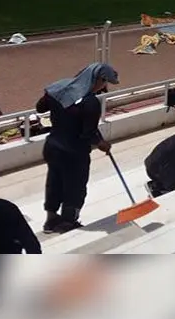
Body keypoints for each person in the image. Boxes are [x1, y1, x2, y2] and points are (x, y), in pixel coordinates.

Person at [35, 62, 119, 234]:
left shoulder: (59, 88)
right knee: (75, 187)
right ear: (98, 79)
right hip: (74, 153)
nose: (104, 86)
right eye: (105, 82)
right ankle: (68, 222)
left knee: (54, 182)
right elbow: (88, 133)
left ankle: (50, 220)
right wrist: (102, 144)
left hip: (53, 147)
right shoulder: (90, 102)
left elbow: (40, 107)